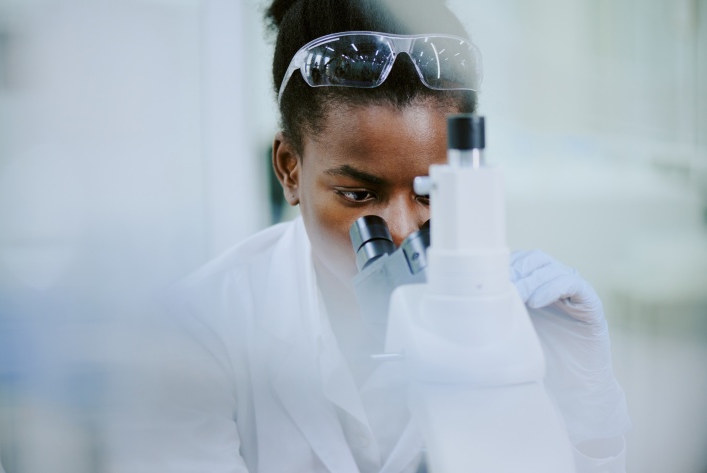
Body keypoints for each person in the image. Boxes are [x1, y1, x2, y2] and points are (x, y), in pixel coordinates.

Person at [155, 1, 632, 472]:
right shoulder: (202, 329)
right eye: (359, 195)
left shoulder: (511, 313)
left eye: (431, 193)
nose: (403, 231)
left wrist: (585, 406)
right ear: (289, 168)